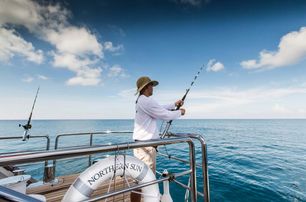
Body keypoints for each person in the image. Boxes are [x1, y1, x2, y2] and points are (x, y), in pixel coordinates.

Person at [131, 76, 185, 201]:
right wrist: (180, 112)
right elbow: (164, 114)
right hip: (145, 147)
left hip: (141, 145)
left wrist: (174, 104)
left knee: (139, 179)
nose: (152, 87)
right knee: (145, 180)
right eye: (151, 85)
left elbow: (159, 108)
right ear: (145, 87)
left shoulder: (142, 100)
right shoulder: (146, 101)